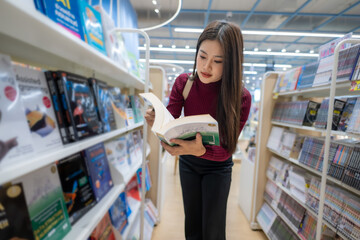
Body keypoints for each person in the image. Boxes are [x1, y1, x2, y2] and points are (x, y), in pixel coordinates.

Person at [145, 20, 251, 240]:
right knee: (192, 228)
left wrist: (200, 150)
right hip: (188, 165)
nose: (206, 67)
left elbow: (227, 148)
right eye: (202, 56)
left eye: (217, 61)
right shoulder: (184, 83)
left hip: (218, 169)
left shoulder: (240, 97)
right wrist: (158, 124)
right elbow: (170, 127)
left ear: (231, 63)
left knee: (213, 232)